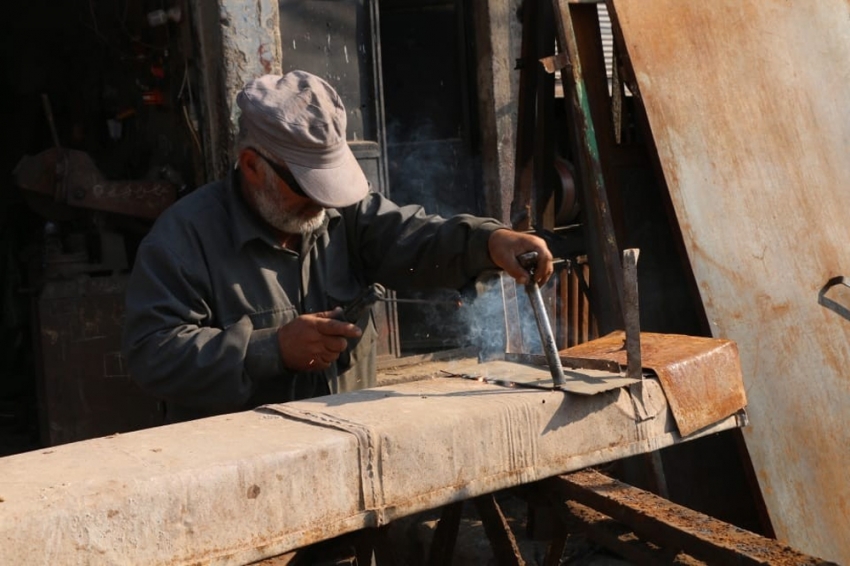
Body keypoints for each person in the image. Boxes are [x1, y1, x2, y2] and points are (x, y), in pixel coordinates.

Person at [122, 70, 553, 423]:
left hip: (348, 449)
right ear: (253, 166)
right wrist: (271, 350)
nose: (323, 201)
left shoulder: (342, 213)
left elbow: (416, 238)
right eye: (307, 187)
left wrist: (490, 241)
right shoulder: (183, 239)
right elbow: (153, 354)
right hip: (244, 471)